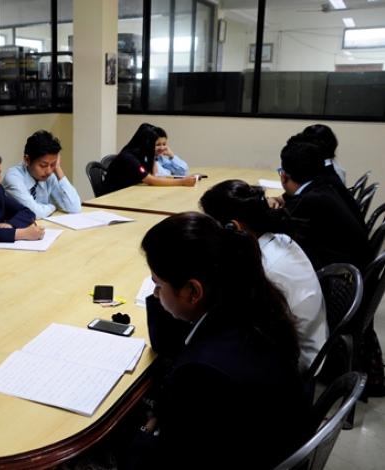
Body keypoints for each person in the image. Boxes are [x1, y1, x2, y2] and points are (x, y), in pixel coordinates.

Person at [122, 212, 310, 469]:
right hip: (267, 442)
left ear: (193, 291)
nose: (155, 293)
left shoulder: (200, 373)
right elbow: (170, 342)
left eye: (157, 284)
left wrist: (147, 428)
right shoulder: (252, 306)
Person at [200, 179, 327, 372]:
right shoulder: (279, 238)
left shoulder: (261, 269)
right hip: (309, 344)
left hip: (293, 366)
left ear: (233, 227)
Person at [279, 140, 370, 272]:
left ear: (284, 176)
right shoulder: (324, 186)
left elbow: (281, 231)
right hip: (355, 266)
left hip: (339, 276)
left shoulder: (309, 201)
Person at [2, 130, 81, 218]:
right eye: (43, 165)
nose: (49, 171)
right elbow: (33, 213)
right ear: (27, 160)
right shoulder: (13, 177)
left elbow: (74, 208)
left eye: (53, 164)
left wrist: (58, 169)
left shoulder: (49, 176)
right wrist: (53, 206)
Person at [104, 123, 200, 193]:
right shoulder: (129, 157)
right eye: (157, 144)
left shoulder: (146, 155)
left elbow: (155, 176)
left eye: (164, 144)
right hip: (115, 195)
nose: (162, 148)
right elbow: (150, 180)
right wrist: (182, 182)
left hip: (132, 192)